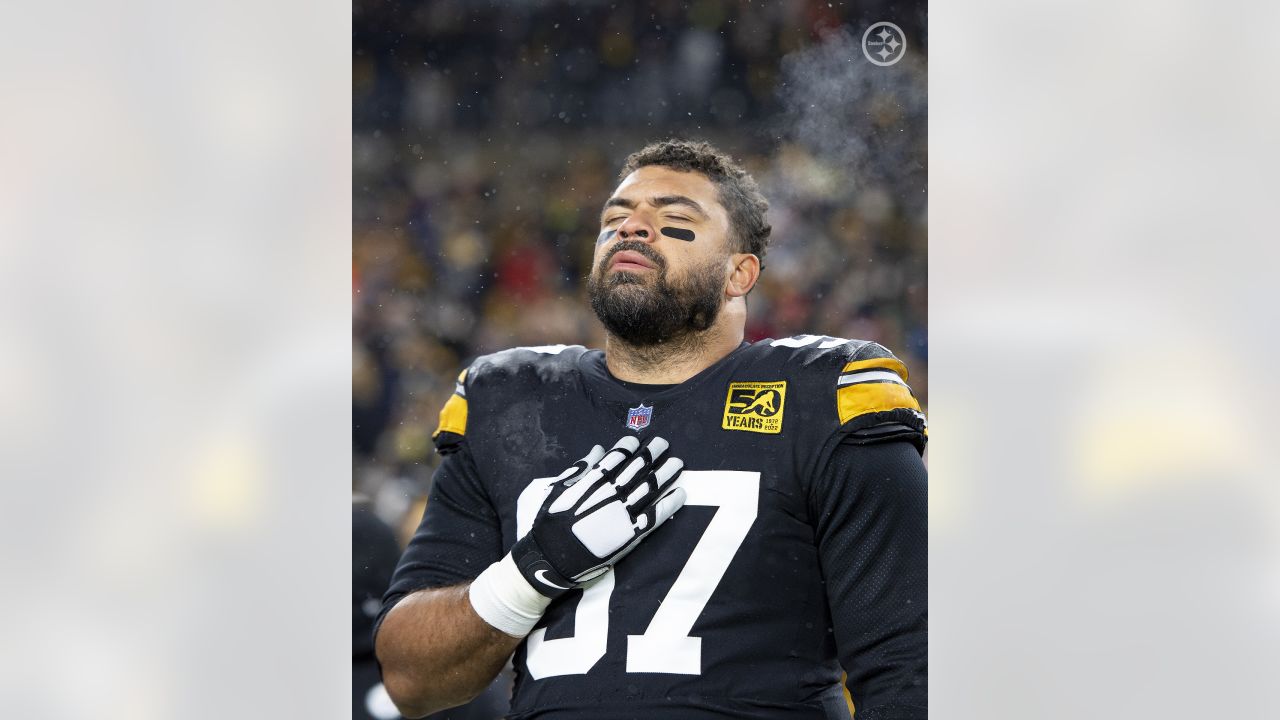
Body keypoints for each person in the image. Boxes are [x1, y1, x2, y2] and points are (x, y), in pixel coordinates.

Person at [374, 139, 928, 719]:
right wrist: (533, 570)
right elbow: (411, 679)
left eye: (673, 219)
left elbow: (908, 666)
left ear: (740, 273)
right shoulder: (510, 402)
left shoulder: (823, 397)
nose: (631, 229)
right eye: (615, 218)